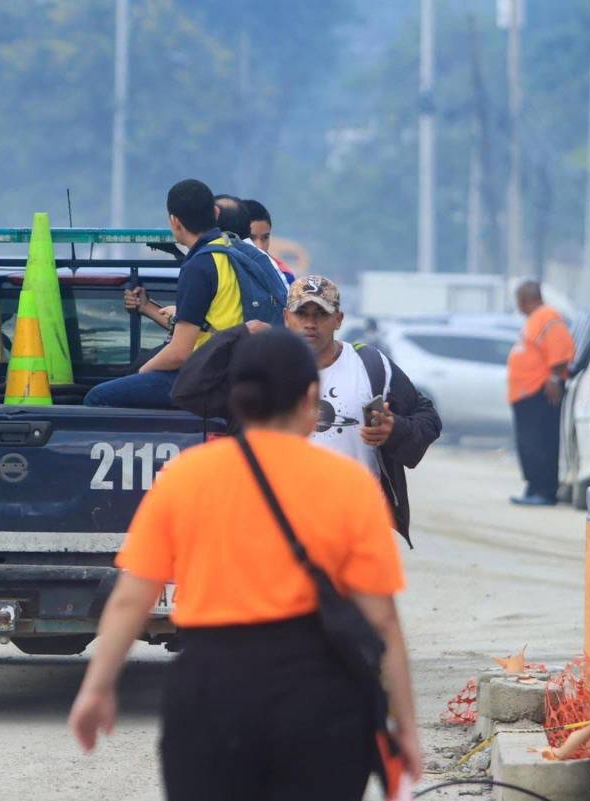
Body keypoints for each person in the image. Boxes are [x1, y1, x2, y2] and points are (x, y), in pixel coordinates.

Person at [69, 328, 422, 799]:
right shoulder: (350, 485)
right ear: (310, 398)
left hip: (212, 691)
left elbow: (132, 598)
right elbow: (382, 620)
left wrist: (97, 688)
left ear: (237, 399)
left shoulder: (185, 477)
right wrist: (405, 727)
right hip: (319, 697)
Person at [283, 275, 440, 546]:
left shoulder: (370, 365)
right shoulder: (268, 369)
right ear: (287, 317)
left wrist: (395, 430)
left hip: (360, 523)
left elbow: (428, 419)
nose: (310, 323)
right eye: (302, 313)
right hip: (288, 522)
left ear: (338, 319)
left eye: (321, 314)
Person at [84, 179, 243, 408]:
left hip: (204, 378)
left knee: (97, 397)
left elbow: (179, 353)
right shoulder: (231, 252)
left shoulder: (199, 266)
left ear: (175, 222)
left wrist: (142, 372)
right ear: (216, 213)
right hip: (230, 373)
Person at [508, 280, 575, 506]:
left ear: (525, 299)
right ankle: (534, 486)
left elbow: (561, 350)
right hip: (525, 395)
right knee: (528, 444)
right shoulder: (535, 319)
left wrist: (555, 377)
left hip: (541, 392)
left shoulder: (548, 316)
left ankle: (545, 491)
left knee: (541, 443)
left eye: (518, 300)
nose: (518, 305)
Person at [244, 198, 295, 285]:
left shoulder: (285, 276)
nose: (260, 246)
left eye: (265, 237)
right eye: (251, 238)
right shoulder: (223, 270)